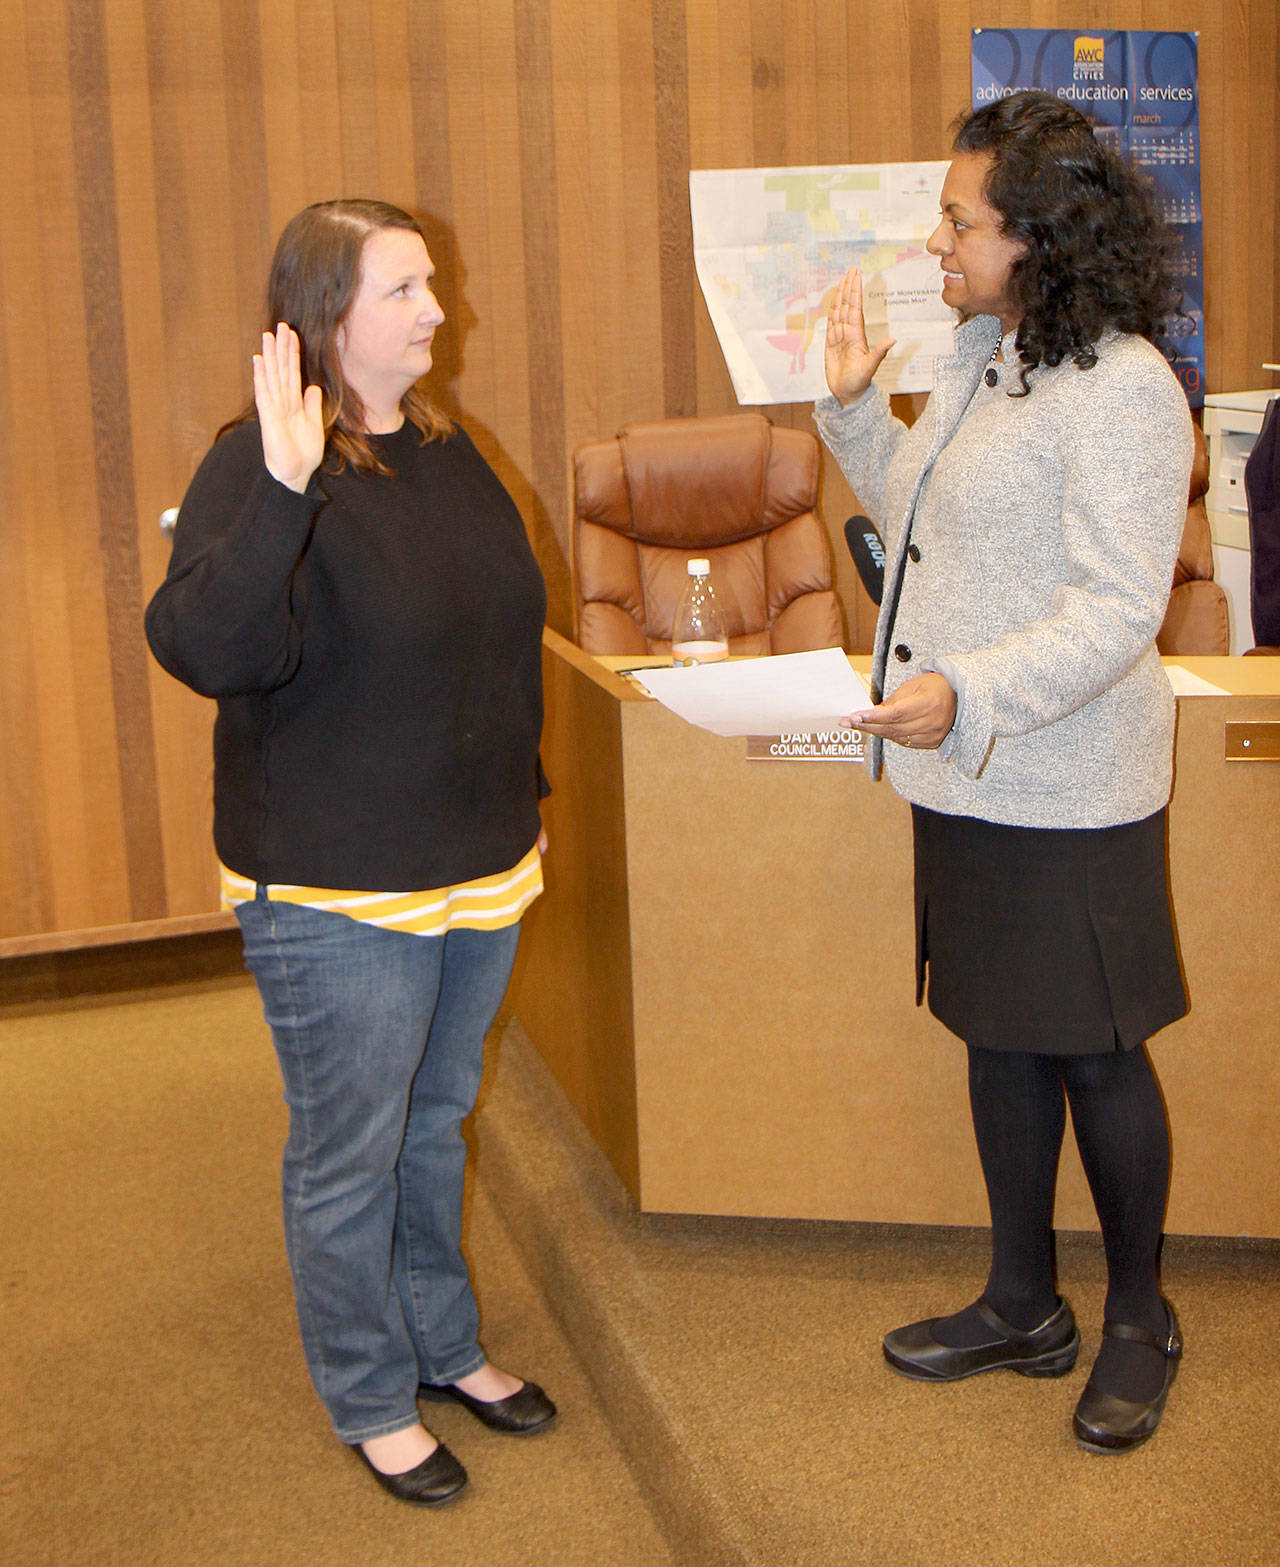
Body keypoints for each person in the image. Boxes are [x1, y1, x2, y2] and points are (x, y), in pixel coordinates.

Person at [146, 200, 555, 1505]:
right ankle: (370, 1393)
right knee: (350, 1148)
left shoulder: (446, 445)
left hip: (479, 857)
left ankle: (444, 1346)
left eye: (431, 282)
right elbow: (210, 649)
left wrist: (522, 792)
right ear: (324, 315)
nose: (439, 310)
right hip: (336, 879)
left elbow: (497, 633)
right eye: (404, 289)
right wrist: (276, 487)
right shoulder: (257, 461)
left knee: (436, 1126)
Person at [816, 92, 1192, 1454]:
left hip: (1069, 788)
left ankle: (1142, 1312)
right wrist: (856, 415)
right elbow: (920, 520)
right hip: (965, 777)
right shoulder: (990, 355)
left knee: (1096, 1053)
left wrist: (966, 690)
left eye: (960, 220)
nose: (938, 242)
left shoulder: (1126, 390)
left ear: (1039, 234)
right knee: (998, 1036)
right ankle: (1023, 1300)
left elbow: (1114, 612)